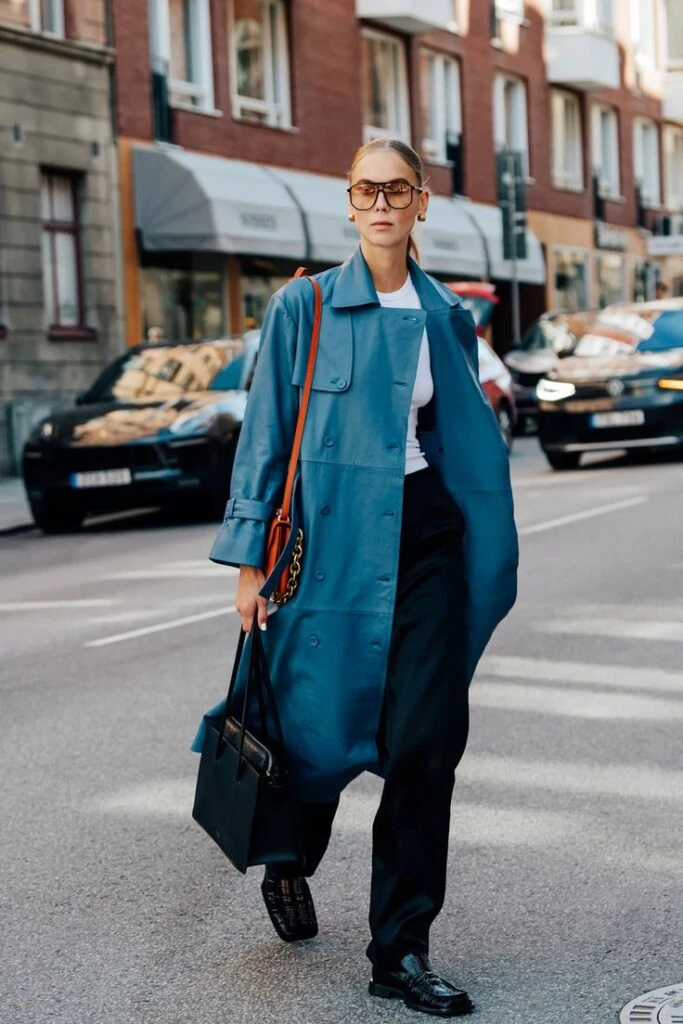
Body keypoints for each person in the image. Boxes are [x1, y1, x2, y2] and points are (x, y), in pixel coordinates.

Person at [193, 138, 518, 1017]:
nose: (380, 202)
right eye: (365, 189)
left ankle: (400, 951)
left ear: (420, 204)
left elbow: (459, 435)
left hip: (421, 541)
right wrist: (250, 558)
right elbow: (265, 431)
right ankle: (290, 857)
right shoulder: (304, 306)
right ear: (348, 202)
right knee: (315, 727)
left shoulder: (446, 312)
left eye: (397, 189)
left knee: (424, 744)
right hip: (325, 549)